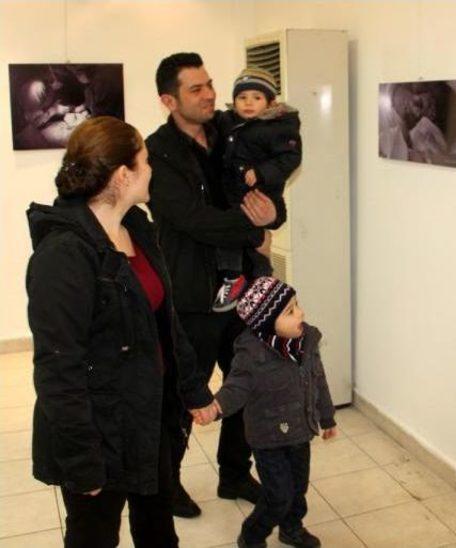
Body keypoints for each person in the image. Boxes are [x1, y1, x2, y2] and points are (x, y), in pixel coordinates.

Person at [26, 116, 217, 548]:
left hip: (149, 417)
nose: (153, 169)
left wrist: (193, 390)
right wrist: (81, 462)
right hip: (99, 430)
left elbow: (165, 320)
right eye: (146, 161)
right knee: (94, 537)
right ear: (123, 175)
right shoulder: (64, 255)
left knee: (157, 532)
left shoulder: (138, 229)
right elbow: (59, 370)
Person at [146, 52, 286, 517]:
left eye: (210, 84)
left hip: (246, 288)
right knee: (185, 394)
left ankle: (232, 473)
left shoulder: (233, 130)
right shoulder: (157, 152)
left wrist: (273, 215)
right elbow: (193, 221)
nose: (209, 95)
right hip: (192, 294)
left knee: (247, 384)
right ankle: (168, 486)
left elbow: (269, 188)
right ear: (169, 99)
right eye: (196, 89)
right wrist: (255, 231)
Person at [211, 276, 337, 548]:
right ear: (266, 323)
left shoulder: (307, 342)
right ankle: (252, 535)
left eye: (297, 305)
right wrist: (216, 406)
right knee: (278, 494)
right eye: (290, 311)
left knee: (298, 489)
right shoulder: (251, 354)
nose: (300, 313)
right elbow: (236, 387)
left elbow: (318, 380)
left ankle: (291, 529)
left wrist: (326, 417)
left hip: (301, 431)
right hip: (268, 437)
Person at [213, 67, 301, 312]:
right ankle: (237, 278)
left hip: (262, 192)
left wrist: (262, 172)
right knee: (237, 236)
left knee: (249, 238)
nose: (248, 103)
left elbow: (290, 158)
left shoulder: (278, 127)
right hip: (236, 193)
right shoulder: (229, 121)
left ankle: (257, 282)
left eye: (256, 98)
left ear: (270, 102)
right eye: (242, 98)